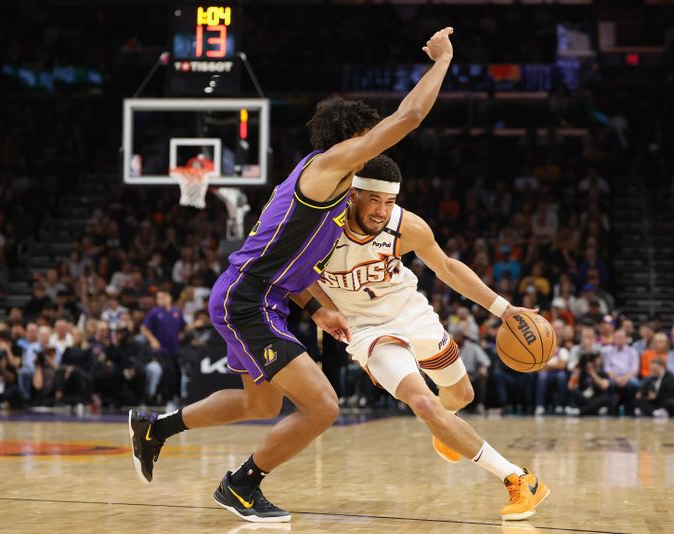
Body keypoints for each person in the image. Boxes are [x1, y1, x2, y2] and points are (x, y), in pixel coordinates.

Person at [128, 27, 456, 523]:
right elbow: (408, 117)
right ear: (350, 140)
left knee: (260, 403)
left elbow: (294, 268)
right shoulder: (326, 168)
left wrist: (320, 308)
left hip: (259, 296)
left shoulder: (326, 193)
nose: (369, 150)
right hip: (249, 300)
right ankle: (239, 486)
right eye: (364, 139)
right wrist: (441, 62)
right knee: (324, 406)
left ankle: (156, 429)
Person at [315, 155, 549, 520]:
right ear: (352, 195)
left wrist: (505, 309)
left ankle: (447, 427)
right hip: (365, 329)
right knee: (424, 404)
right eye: (374, 200)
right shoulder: (320, 228)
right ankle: (519, 478)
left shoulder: (407, 227)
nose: (381, 211)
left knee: (460, 395)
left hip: (410, 310)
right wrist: (323, 308)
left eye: (389, 202)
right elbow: (295, 276)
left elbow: (447, 268)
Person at [601, 329, 639, 414]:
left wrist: (624, 379)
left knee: (633, 385)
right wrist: (617, 378)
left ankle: (630, 410)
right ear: (613, 339)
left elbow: (634, 369)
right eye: (617, 338)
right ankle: (611, 411)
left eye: (621, 337)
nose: (619, 340)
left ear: (626, 339)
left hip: (629, 377)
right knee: (609, 384)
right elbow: (607, 369)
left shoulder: (632, 351)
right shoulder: (609, 352)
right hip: (614, 377)